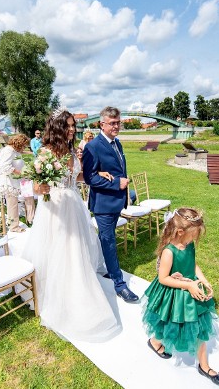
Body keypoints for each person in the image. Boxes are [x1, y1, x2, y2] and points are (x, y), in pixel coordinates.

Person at [22, 108, 120, 342]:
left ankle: (77, 286)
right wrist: (41, 188)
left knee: (77, 248)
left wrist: (98, 173)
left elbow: (75, 177)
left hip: (74, 203)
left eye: (73, 125)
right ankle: (58, 292)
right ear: (57, 128)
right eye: (68, 126)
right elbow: (35, 186)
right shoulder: (45, 153)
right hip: (55, 207)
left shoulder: (71, 151)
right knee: (58, 248)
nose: (72, 129)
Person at [142, 208, 219, 386]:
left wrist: (203, 280)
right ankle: (155, 341)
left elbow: (193, 264)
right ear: (180, 232)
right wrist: (188, 284)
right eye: (193, 235)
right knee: (168, 325)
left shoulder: (189, 245)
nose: (195, 239)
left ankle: (204, 365)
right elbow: (163, 279)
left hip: (192, 289)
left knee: (200, 328)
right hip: (174, 293)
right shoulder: (169, 252)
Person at [82, 106, 139, 303]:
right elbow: (89, 178)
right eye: (112, 123)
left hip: (116, 201)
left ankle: (101, 265)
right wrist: (117, 183)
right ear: (102, 124)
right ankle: (119, 285)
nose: (116, 126)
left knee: (107, 240)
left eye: (118, 123)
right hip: (103, 205)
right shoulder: (93, 147)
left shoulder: (117, 143)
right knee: (109, 241)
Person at [0, 133, 35, 232]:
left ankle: (30, 220)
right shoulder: (8, 151)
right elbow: (5, 167)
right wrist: (20, 173)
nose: (24, 148)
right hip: (8, 182)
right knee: (12, 204)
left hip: (16, 180)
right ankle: (14, 227)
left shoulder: (16, 152)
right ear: (19, 143)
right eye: (24, 145)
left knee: (17, 202)